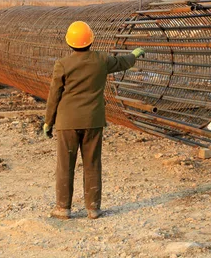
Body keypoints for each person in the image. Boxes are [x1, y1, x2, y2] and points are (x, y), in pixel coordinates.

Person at [43, 21, 145, 219]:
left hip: (67, 123)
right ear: (91, 40)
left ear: (69, 42)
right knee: (92, 163)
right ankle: (93, 208)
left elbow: (54, 95)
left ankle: (63, 209)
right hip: (93, 121)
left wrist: (49, 121)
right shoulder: (101, 60)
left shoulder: (62, 64)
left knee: (65, 165)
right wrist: (134, 55)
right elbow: (123, 62)